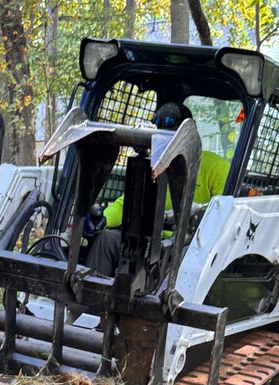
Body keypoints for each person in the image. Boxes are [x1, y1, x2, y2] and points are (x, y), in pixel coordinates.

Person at [85, 101, 230, 277]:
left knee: (182, 258)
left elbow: (221, 213)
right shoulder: (154, 164)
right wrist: (104, 219)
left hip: (189, 244)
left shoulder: (216, 167)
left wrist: (193, 215)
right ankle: (87, 297)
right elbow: (128, 203)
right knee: (106, 240)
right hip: (151, 238)